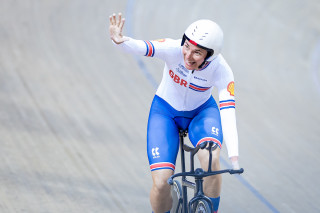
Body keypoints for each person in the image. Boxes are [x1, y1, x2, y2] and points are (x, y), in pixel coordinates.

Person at [109, 13, 240, 213]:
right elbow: (142, 46)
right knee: (162, 183)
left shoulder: (222, 70)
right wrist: (120, 41)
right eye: (186, 46)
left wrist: (234, 158)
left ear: (210, 56)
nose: (188, 56)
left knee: (212, 162)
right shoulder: (173, 48)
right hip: (165, 112)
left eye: (197, 52)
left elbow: (228, 112)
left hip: (202, 113)